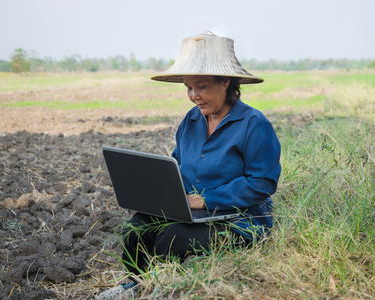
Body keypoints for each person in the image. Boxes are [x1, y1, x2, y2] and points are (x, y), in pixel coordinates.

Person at [98, 31, 281, 300]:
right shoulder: (191, 121)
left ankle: (161, 289)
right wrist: (163, 195)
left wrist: (205, 200)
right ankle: (136, 284)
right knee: (136, 226)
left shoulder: (254, 124)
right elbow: (178, 168)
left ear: (226, 82)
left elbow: (262, 183)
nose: (193, 95)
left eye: (202, 87)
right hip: (194, 212)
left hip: (240, 220)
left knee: (173, 236)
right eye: (188, 88)